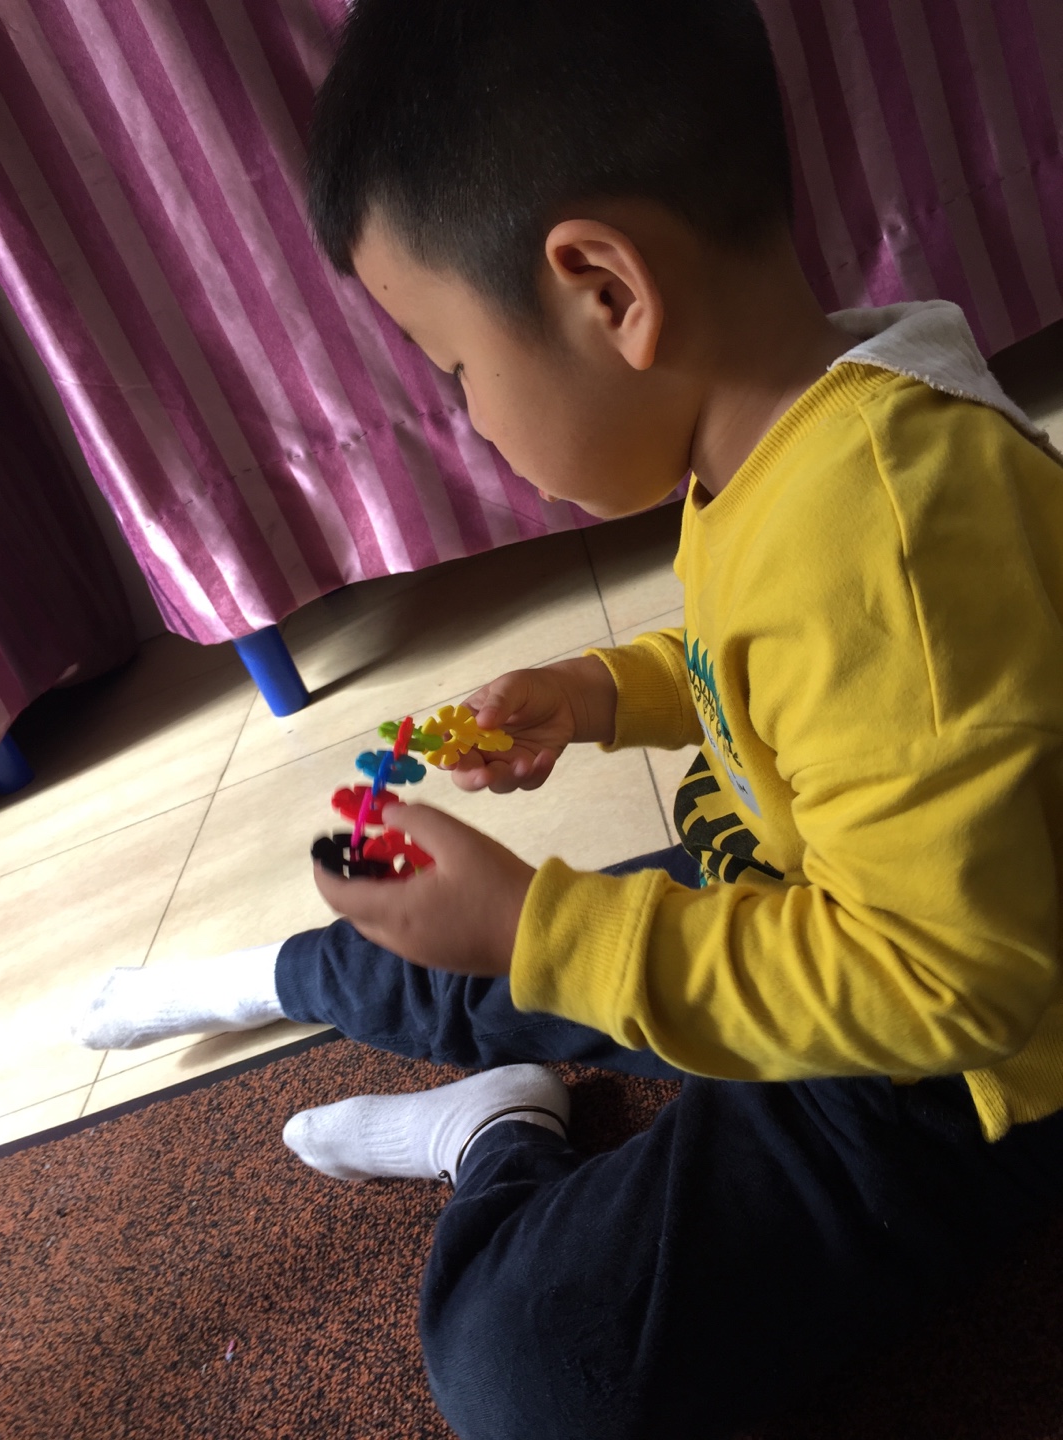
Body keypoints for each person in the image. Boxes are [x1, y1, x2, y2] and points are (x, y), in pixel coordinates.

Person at [75, 1, 1063, 1436]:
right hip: (825, 889)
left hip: (946, 1072)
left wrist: (549, 931)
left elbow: (952, 989)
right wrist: (610, 691)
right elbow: (778, 664)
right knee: (490, 938)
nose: (472, 418)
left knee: (522, 1372)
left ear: (606, 289)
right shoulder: (802, 437)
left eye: (458, 372)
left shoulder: (890, 528)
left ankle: (498, 1134)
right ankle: (277, 980)